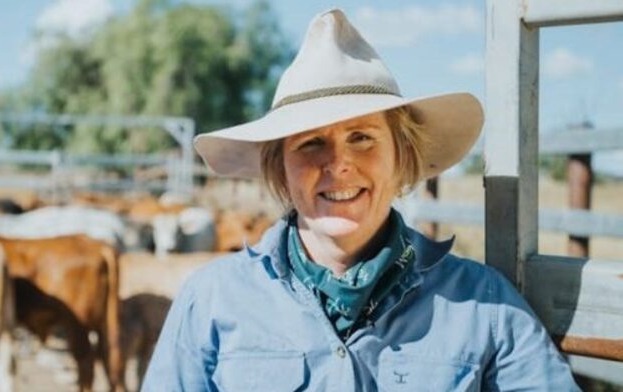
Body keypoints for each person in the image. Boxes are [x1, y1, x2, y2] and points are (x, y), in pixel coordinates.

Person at [142, 8, 579, 391]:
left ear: (401, 157)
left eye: (362, 138)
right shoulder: (212, 299)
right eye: (311, 143)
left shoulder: (485, 305)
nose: (339, 164)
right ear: (280, 168)